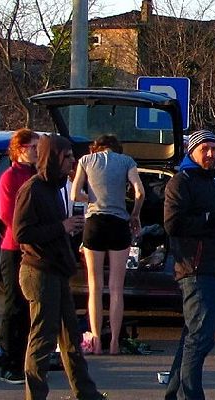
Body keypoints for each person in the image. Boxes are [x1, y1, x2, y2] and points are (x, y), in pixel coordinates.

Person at [14, 132, 106, 400]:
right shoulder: (32, 190)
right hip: (38, 271)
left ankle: (86, 393)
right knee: (42, 340)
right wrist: (61, 227)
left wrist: (70, 230)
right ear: (52, 158)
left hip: (57, 269)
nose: (72, 162)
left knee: (71, 339)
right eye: (66, 157)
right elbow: (22, 233)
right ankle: (35, 396)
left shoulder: (56, 188)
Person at [163, 130, 215, 400]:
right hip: (195, 269)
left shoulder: (213, 180)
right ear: (191, 152)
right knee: (201, 338)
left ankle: (175, 394)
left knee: (193, 337)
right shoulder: (181, 181)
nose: (210, 154)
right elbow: (173, 224)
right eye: (204, 149)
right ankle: (191, 396)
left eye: (214, 149)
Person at [70, 134, 144, 355]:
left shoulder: (85, 160)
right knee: (116, 289)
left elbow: (74, 194)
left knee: (94, 287)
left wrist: (92, 200)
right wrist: (135, 215)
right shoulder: (127, 161)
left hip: (94, 224)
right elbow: (140, 192)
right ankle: (114, 342)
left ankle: (96, 341)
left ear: (96, 148)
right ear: (116, 148)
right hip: (119, 223)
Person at [0, 128, 39, 384]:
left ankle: (27, 358)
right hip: (15, 248)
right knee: (15, 306)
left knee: (32, 307)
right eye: (33, 147)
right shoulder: (10, 177)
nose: (36, 152)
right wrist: (29, 234)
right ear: (20, 148)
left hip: (36, 249)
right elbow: (7, 215)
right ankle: (9, 362)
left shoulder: (36, 174)